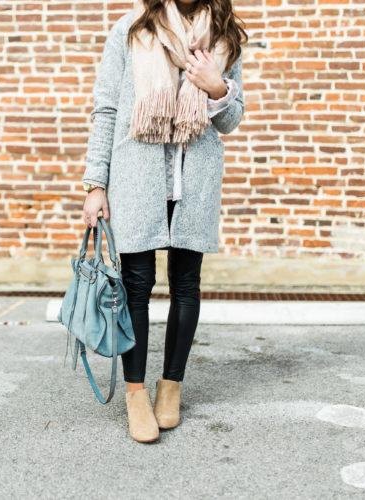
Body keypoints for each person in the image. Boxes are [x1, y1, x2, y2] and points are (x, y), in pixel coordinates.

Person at [81, 0, 247, 443]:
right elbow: (107, 109)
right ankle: (135, 394)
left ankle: (170, 386)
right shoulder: (130, 30)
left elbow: (232, 120)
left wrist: (217, 88)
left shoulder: (225, 37)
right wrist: (96, 183)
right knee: (135, 285)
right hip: (137, 175)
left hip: (193, 180)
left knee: (186, 283)